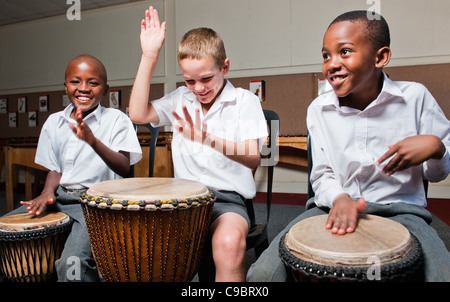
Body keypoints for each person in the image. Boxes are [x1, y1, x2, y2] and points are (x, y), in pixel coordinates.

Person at [247, 10, 450, 282]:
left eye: (344, 51)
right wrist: (339, 198)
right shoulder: (319, 109)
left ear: (380, 57)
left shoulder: (415, 97)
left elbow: (437, 173)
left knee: (441, 274)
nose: (331, 63)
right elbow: (321, 175)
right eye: (326, 55)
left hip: (403, 211)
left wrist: (436, 148)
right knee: (261, 274)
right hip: (331, 207)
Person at [129, 6, 267, 282]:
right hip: (185, 201)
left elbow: (253, 157)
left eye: (206, 79)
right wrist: (149, 55)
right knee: (146, 246)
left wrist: (207, 138)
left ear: (224, 67)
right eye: (190, 80)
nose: (199, 88)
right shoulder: (181, 98)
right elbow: (137, 114)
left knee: (229, 245)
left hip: (228, 200)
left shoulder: (244, 101)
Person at [3, 54, 142, 281]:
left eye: (93, 83)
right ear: (65, 86)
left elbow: (124, 167)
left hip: (95, 205)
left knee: (71, 265)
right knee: (5, 232)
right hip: (61, 198)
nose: (83, 88)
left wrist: (92, 141)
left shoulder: (117, 120)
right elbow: (56, 169)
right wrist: (47, 193)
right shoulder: (54, 121)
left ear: (105, 89)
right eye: (75, 81)